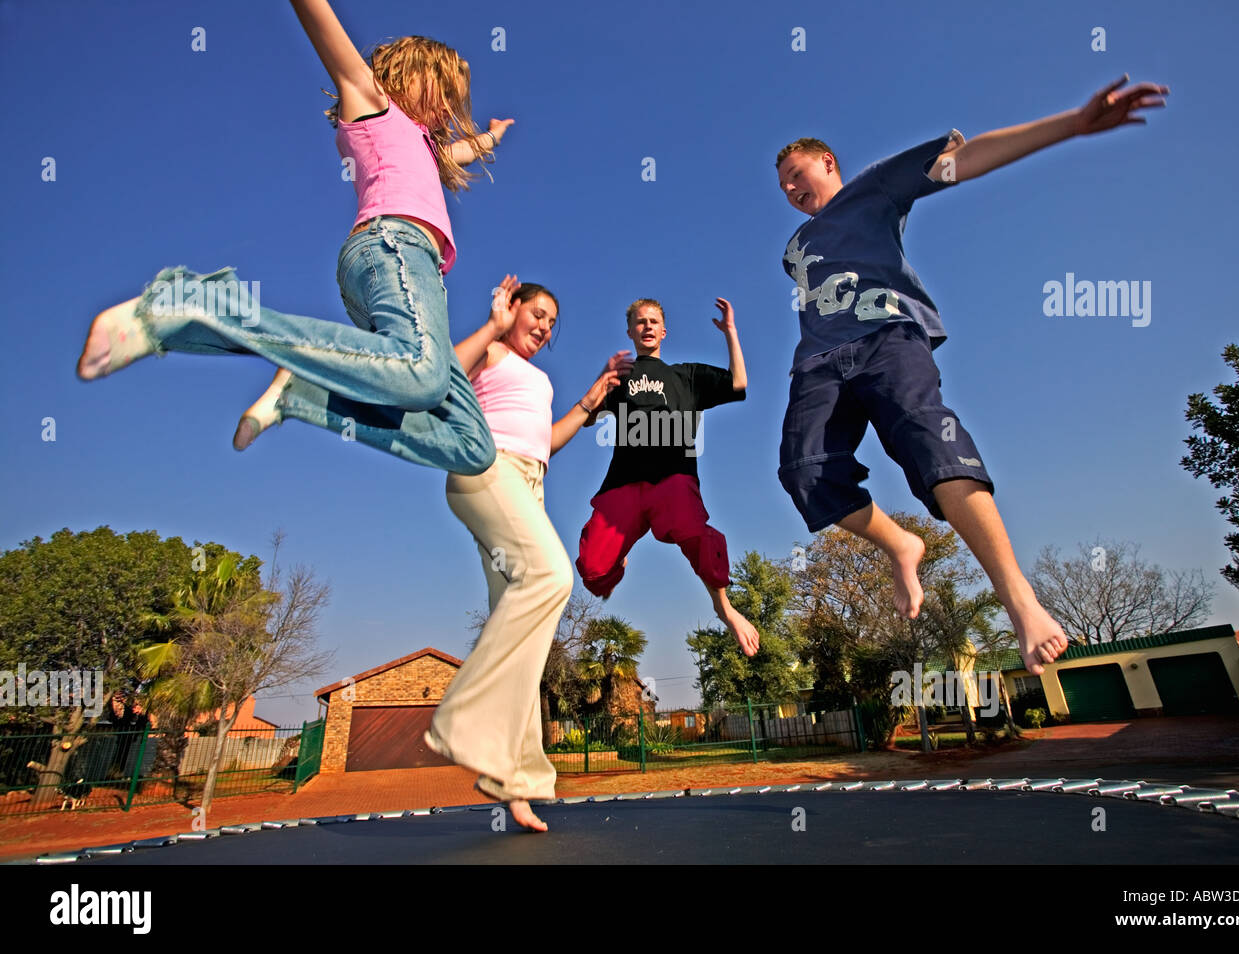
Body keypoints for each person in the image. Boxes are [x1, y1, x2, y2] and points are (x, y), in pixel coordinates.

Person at [773, 75, 1168, 675]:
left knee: (930, 443)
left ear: (827, 162)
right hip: (818, 362)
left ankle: (1020, 600)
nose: (792, 189)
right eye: (783, 186)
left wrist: (1072, 124)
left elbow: (962, 160)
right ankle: (901, 543)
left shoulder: (873, 190)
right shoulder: (794, 248)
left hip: (886, 337)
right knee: (805, 473)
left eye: (799, 174)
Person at [242, 277, 631, 831]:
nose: (544, 327)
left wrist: (590, 403)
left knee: (523, 633)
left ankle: (513, 779)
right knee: (551, 577)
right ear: (514, 308)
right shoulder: (492, 349)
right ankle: (463, 717)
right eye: (537, 313)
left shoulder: (541, 380)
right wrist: (491, 328)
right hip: (486, 472)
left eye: (552, 321)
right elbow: (438, 374)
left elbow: (542, 443)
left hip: (528, 484)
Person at [76, 0, 512, 477]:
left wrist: (490, 139)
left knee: (473, 447)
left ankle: (304, 395)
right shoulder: (372, 102)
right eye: (445, 89)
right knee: (422, 377)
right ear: (410, 72)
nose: (450, 106)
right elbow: (320, 23)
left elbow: (457, 154)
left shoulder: (423, 145)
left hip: (415, 278)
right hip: (392, 249)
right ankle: (196, 304)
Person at [575, 297, 760, 656]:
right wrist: (604, 377)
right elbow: (587, 417)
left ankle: (724, 607)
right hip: (624, 483)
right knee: (594, 574)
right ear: (630, 331)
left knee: (695, 535)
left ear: (663, 331)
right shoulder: (620, 379)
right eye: (640, 321)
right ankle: (617, 558)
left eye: (653, 321)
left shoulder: (685, 376)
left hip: (673, 478)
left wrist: (731, 333)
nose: (646, 326)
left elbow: (738, 383)